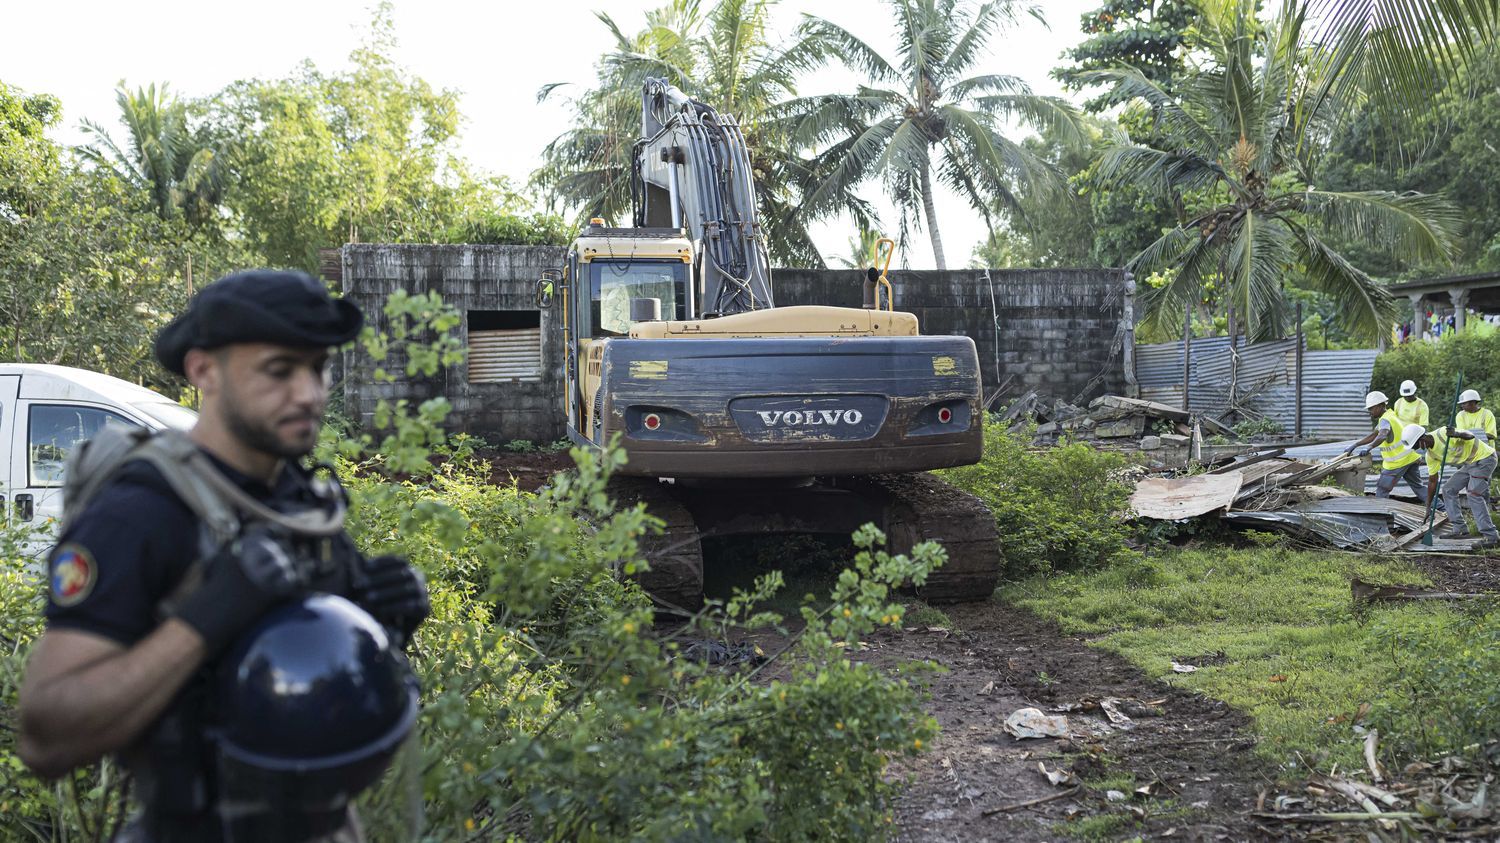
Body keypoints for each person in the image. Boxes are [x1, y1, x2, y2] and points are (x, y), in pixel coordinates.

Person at [16, 270, 431, 841]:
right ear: (204, 370)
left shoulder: (299, 499)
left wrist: (376, 622)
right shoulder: (140, 513)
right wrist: (203, 620)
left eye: (318, 368)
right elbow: (46, 737)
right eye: (280, 371)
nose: (309, 392)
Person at [1405, 423, 1500, 547]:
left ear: (1422, 439)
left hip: (1485, 458)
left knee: (1473, 494)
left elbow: (1470, 435)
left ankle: (1491, 537)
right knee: (1448, 489)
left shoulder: (1443, 433)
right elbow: (1432, 481)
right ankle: (1460, 529)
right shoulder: (1431, 456)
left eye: (1417, 446)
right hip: (1469, 464)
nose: (1418, 449)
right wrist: (1428, 506)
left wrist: (1456, 433)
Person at [1344, 390, 1426, 502]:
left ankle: (1380, 516)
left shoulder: (1385, 420)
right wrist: (1356, 444)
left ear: (1380, 406)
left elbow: (1382, 435)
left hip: (1397, 462)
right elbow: (1375, 435)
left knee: (1382, 490)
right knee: (1419, 488)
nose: (1370, 411)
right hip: (1409, 458)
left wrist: (1369, 447)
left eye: (1371, 408)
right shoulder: (1390, 415)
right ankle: (1442, 508)